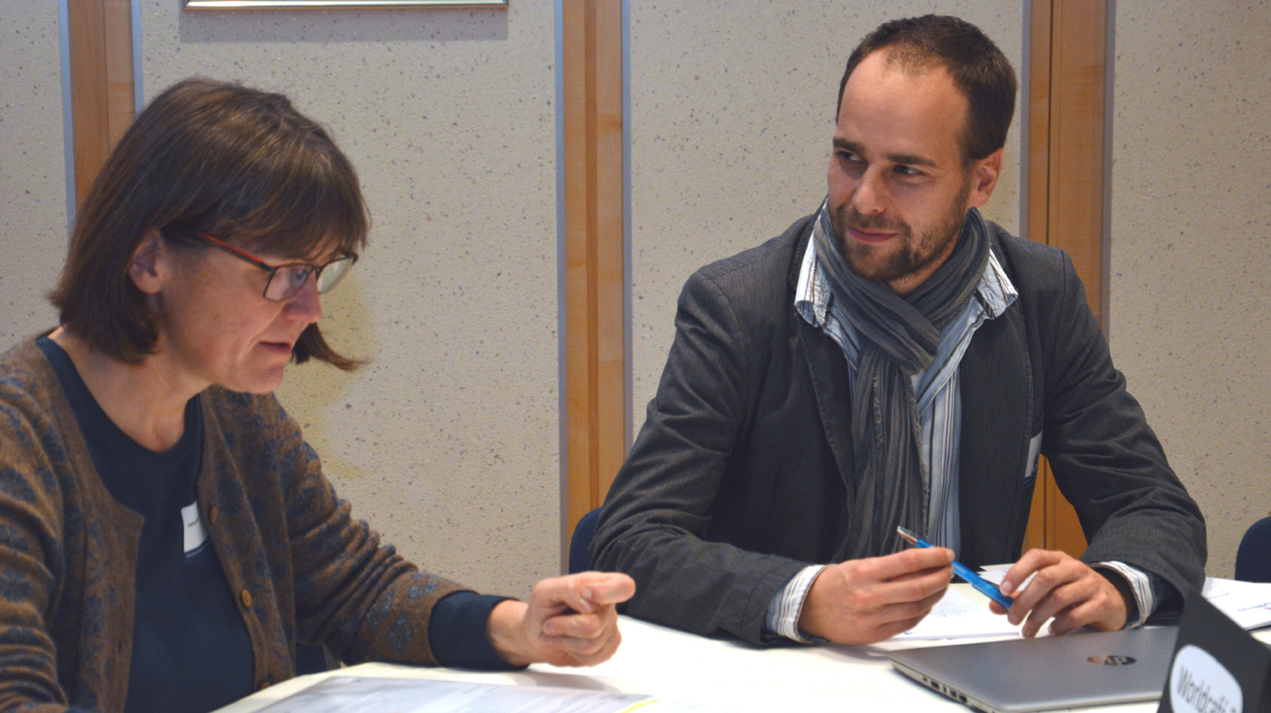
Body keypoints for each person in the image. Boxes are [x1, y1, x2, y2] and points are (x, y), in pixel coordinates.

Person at [0, 77, 634, 713]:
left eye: (318, 273)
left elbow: (355, 588)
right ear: (148, 260)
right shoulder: (18, 438)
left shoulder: (233, 413)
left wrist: (519, 628)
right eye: (282, 274)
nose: (309, 310)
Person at [590, 15, 1205, 647]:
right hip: (783, 676)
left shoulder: (1039, 295)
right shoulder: (739, 306)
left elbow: (1152, 506)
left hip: (966, 671)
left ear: (983, 179)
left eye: (906, 172)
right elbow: (631, 540)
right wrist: (802, 597)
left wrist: (1114, 585)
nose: (864, 199)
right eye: (849, 159)